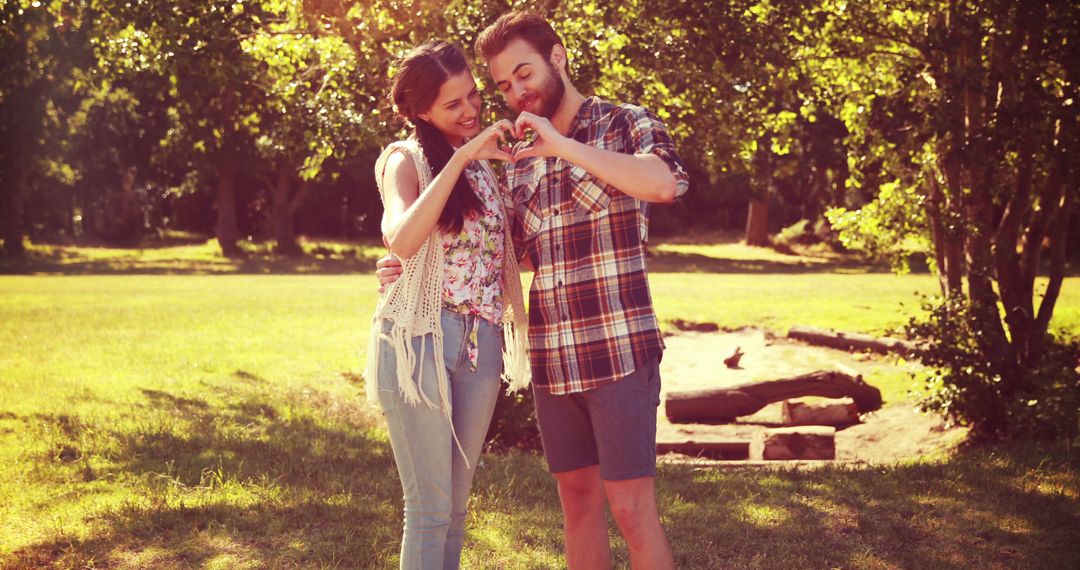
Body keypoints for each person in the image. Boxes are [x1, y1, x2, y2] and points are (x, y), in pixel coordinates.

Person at [378, 12, 689, 569]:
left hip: (616, 347)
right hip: (552, 357)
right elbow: (511, 250)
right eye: (501, 85)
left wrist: (561, 147)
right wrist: (408, 263)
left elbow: (664, 182)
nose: (512, 93)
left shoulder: (623, 123)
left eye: (522, 74)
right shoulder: (511, 157)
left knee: (631, 508)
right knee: (574, 503)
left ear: (559, 57)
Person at [363, 39, 530, 570]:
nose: (471, 110)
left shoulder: (485, 169)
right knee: (429, 508)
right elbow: (401, 239)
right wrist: (461, 157)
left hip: (481, 344)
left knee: (456, 509)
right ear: (420, 111)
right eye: (453, 104)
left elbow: (501, 252)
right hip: (421, 340)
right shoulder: (404, 160)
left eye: (473, 96)